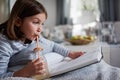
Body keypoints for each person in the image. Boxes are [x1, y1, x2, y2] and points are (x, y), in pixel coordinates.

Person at [0, 0, 83, 79]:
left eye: (42, 24)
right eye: (36, 22)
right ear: (18, 22)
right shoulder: (3, 45)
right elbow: (1, 76)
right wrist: (25, 72)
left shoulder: (31, 35)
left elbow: (53, 45)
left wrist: (71, 54)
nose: (40, 29)